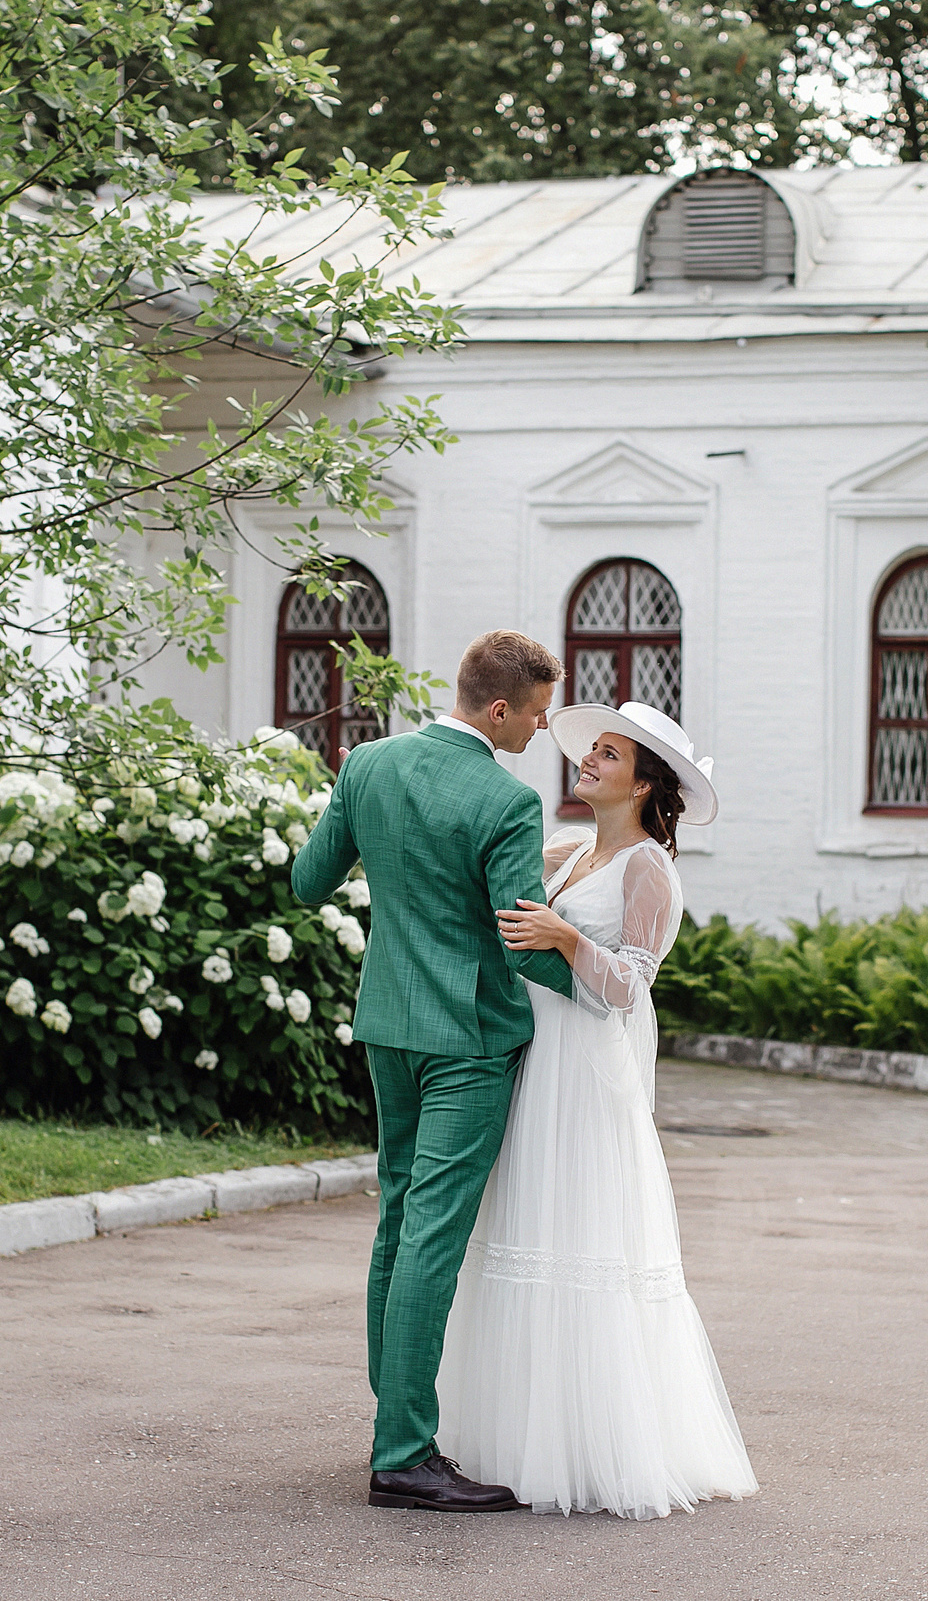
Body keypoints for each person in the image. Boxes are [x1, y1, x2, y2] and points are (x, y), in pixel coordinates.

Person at [445, 700, 759, 1519]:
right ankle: (519, 1439)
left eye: (609, 754)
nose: (588, 759)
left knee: (580, 1237)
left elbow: (629, 987)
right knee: (524, 1227)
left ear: (644, 783)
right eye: (594, 750)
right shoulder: (568, 848)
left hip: (584, 1074)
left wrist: (566, 938)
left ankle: (596, 1448)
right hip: (532, 1060)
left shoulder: (650, 869)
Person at [290, 629, 576, 1513]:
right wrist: (611, 987)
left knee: (399, 1221)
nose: (540, 729)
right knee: (432, 1239)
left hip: (390, 1026)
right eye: (536, 713)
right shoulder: (508, 800)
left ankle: (397, 1429)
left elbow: (308, 882)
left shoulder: (367, 764)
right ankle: (405, 1454)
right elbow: (520, 941)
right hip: (467, 1040)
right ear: (500, 708)